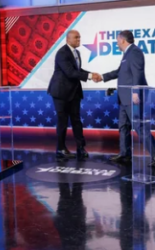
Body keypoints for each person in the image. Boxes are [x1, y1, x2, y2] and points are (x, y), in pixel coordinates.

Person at [94, 30, 155, 167]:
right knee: (123, 126)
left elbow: (137, 73)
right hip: (123, 98)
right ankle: (125, 154)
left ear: (122, 40)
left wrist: (135, 92)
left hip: (132, 97)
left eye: (117, 41)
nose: (116, 43)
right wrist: (102, 77)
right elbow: (119, 72)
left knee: (139, 127)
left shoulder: (135, 52)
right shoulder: (126, 54)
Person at [48, 30, 100, 160]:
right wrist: (89, 76)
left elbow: (78, 70)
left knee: (76, 121)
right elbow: (70, 73)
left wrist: (92, 74)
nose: (79, 39)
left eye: (79, 37)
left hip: (74, 93)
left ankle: (80, 148)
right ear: (68, 39)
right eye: (76, 37)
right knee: (63, 122)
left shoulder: (77, 52)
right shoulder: (62, 53)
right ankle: (60, 149)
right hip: (61, 93)